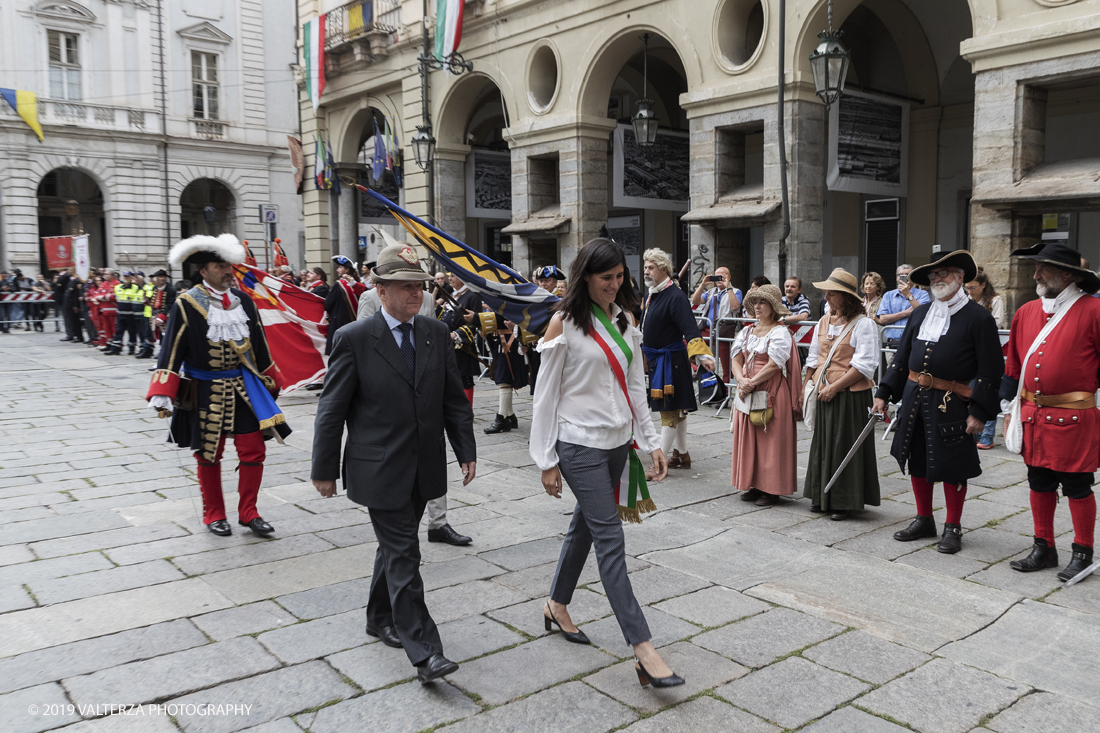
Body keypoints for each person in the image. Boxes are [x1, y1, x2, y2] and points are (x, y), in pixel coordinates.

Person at [311, 243, 476, 684]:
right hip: (378, 468)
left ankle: (378, 615)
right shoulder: (354, 339)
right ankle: (425, 652)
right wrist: (323, 469)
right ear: (379, 290)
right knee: (405, 552)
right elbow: (331, 411)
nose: (415, 295)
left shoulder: (434, 332)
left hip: (423, 467)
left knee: (394, 547)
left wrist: (466, 450)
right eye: (404, 288)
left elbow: (451, 399)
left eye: (418, 287)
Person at [530, 237, 682, 689]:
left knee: (586, 526)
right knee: (610, 538)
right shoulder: (563, 324)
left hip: (617, 445)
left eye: (619, 277)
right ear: (585, 277)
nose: (614, 285)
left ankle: (556, 605)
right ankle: (644, 649)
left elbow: (636, 386)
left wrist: (652, 441)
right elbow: (545, 396)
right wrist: (545, 459)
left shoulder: (627, 319)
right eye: (605, 278)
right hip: (577, 444)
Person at [146, 234, 290, 537]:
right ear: (204, 271)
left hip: (244, 390)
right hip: (205, 391)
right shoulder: (186, 304)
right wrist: (163, 389)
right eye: (219, 265)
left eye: (228, 265)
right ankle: (214, 514)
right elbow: (171, 347)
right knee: (208, 454)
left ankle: (249, 513)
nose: (228, 271)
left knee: (253, 451)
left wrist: (272, 381)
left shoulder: (244, 301)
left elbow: (260, 346)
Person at [873, 252, 1003, 552]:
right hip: (914, 398)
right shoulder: (920, 313)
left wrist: (980, 411)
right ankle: (924, 519)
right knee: (917, 458)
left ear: (960, 277)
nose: (936, 279)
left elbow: (991, 370)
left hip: (952, 401)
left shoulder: (978, 318)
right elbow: (902, 359)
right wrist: (883, 392)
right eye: (933, 276)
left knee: (953, 466)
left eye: (943, 273)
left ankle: (953, 527)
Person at [1003, 243, 1100, 581]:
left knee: (1077, 485)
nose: (1036, 274)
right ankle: (1043, 547)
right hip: (1033, 415)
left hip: (1075, 419)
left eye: (1044, 268)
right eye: (1036, 267)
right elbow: (1013, 366)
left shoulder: (1093, 311)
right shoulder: (1026, 312)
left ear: (1068, 275)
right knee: (1039, 481)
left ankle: (1083, 552)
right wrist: (1006, 407)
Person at [803, 269, 881, 520]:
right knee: (824, 443)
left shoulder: (864, 324)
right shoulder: (824, 321)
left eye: (831, 293)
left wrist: (835, 387)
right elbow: (814, 358)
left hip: (849, 395)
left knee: (844, 443)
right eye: (826, 292)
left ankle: (844, 500)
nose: (826, 297)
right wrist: (806, 387)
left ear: (846, 297)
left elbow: (865, 365)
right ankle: (822, 496)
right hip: (823, 390)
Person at [641, 248, 717, 470]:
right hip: (657, 360)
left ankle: (659, 462)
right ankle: (681, 455)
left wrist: (703, 356)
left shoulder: (675, 296)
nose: (646, 271)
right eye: (645, 267)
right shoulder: (653, 292)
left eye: (651, 268)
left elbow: (689, 329)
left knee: (670, 411)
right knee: (678, 411)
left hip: (670, 361)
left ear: (663, 269)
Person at [730, 285, 803, 505]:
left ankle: (771, 489)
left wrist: (751, 382)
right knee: (750, 438)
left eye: (762, 302)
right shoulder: (747, 331)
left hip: (770, 390)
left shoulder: (780, 332)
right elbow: (735, 360)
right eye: (755, 302)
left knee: (771, 440)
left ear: (773, 307)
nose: (757, 306)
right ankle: (753, 484)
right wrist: (741, 381)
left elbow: (774, 365)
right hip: (748, 390)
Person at [966, 271, 1006, 450]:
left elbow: (997, 323)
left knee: (986, 390)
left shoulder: (995, 300)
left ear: (983, 285)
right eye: (967, 288)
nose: (970, 291)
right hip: (971, 351)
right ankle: (976, 432)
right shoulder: (968, 300)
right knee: (972, 391)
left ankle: (988, 435)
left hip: (989, 350)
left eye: (973, 287)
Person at [439, 272, 483, 407]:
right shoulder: (453, 295)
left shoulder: (472, 296)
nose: (449, 279)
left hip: (463, 346)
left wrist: (456, 334)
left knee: (465, 379)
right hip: (448, 344)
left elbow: (475, 321)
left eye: (453, 276)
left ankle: (466, 412)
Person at [692, 267, 742, 379]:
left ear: (729, 277)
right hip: (707, 329)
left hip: (723, 330)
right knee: (688, 341)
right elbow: (695, 301)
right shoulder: (710, 292)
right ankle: (700, 368)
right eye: (716, 276)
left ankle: (725, 391)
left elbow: (735, 306)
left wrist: (728, 287)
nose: (719, 279)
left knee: (726, 365)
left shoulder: (736, 291)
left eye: (722, 276)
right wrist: (702, 285)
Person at [529, 265, 567, 394]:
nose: (543, 284)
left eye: (547, 280)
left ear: (556, 282)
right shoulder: (536, 299)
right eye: (541, 281)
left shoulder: (560, 301)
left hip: (554, 348)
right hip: (535, 348)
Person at [876, 264, 930, 347]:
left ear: (912, 276)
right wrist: (906, 313)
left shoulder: (923, 294)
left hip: (914, 342)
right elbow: (883, 319)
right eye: (901, 275)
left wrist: (908, 294)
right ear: (897, 278)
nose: (904, 277)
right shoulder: (888, 295)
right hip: (892, 343)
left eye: (907, 275)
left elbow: (922, 314)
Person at [147, 269, 177, 355]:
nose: (162, 279)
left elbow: (170, 305)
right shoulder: (154, 288)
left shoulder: (171, 290)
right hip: (154, 315)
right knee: (154, 335)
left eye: (164, 277)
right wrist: (146, 299)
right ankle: (157, 351)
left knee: (164, 335)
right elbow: (152, 303)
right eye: (160, 277)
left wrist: (161, 317)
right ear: (157, 278)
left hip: (164, 316)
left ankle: (164, 352)